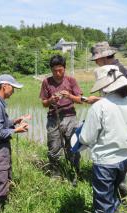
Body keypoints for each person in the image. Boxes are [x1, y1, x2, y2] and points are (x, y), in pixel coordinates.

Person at [79, 65, 127, 213]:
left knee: (103, 207)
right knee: (114, 197)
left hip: (105, 162)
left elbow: (86, 137)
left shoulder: (99, 107)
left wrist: (79, 136)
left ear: (105, 87)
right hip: (125, 159)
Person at [0, 74, 31, 213]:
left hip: (1, 148)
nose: (13, 91)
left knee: (4, 178)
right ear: (5, 87)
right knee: (1, 181)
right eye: (13, 88)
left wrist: (15, 121)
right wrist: (16, 130)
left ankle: (0, 209)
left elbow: (1, 125)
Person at [39, 54, 83, 182]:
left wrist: (69, 96)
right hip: (54, 118)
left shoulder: (71, 81)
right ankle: (56, 175)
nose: (58, 73)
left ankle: (75, 174)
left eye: (60, 70)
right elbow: (44, 103)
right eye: (54, 71)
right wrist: (51, 100)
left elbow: (80, 100)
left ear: (64, 68)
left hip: (70, 117)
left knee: (73, 147)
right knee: (54, 148)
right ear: (51, 70)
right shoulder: (46, 82)